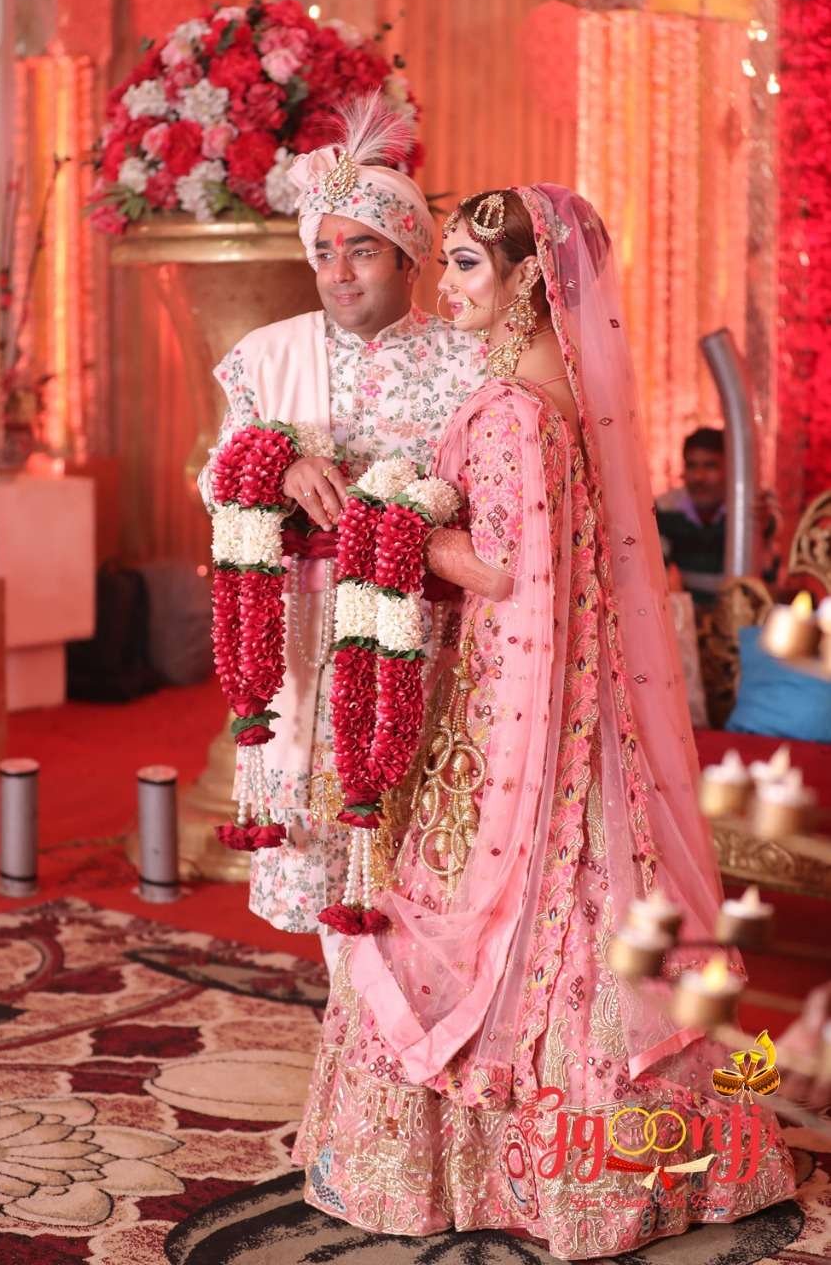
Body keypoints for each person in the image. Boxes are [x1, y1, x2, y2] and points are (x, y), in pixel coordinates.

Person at [293, 184, 797, 1255]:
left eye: (467, 264)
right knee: (598, 889)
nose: (448, 283)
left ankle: (532, 1165)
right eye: (450, 261)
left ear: (529, 276)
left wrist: (393, 527)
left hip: (516, 696)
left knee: (504, 902)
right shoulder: (558, 396)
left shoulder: (514, 410)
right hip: (569, 691)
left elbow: (506, 570)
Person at [198, 95, 482, 976]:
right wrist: (277, 465)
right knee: (323, 859)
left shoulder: (469, 361)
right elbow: (213, 480)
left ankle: (417, 1034)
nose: (339, 273)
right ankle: (350, 1039)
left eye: (361, 249)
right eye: (324, 252)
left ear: (408, 256)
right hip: (299, 636)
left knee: (424, 852)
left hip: (428, 636)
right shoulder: (268, 355)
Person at [656, 428, 779, 609]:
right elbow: (656, 575)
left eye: (710, 466)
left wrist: (765, 527)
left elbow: (770, 580)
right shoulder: (665, 509)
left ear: (731, 469)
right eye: (691, 466)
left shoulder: (752, 510)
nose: (699, 477)